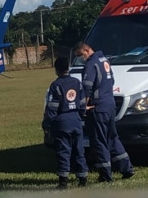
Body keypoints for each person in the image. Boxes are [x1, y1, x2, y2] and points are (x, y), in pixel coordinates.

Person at [73, 42, 135, 182]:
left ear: (86, 51)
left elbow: (87, 88)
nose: (80, 59)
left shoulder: (91, 64)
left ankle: (105, 174)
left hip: (98, 107)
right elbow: (111, 80)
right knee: (112, 137)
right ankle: (127, 168)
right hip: (110, 104)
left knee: (99, 140)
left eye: (79, 56)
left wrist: (83, 107)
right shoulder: (104, 60)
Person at [42, 57, 89, 190]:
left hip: (62, 121)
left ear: (56, 70)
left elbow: (52, 107)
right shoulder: (77, 82)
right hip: (77, 120)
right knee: (79, 150)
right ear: (68, 67)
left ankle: (63, 181)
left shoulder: (56, 85)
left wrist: (48, 122)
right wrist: (80, 116)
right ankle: (83, 178)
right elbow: (82, 104)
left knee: (63, 151)